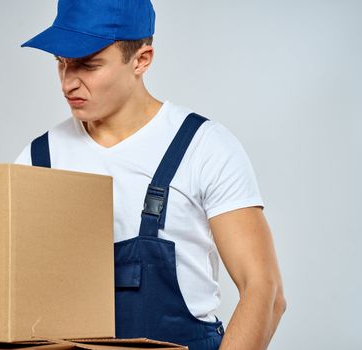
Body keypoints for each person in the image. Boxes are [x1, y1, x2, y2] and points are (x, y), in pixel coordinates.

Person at [14, 1, 286, 349]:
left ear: (141, 59)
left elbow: (265, 290)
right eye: (61, 63)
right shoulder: (39, 159)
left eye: (89, 65)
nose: (68, 83)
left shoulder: (203, 147)